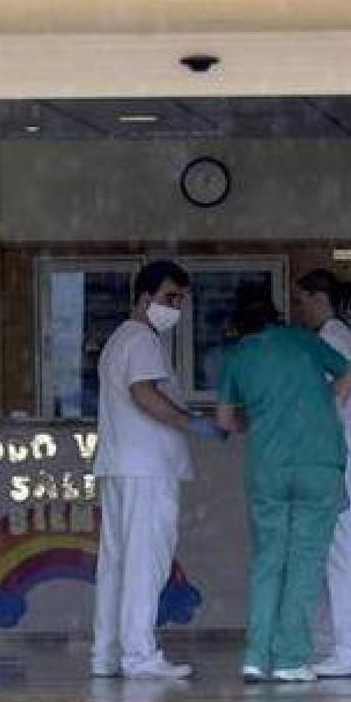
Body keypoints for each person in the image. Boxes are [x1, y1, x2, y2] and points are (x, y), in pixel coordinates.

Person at [90, 260, 226, 680]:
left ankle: (107, 654)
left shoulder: (121, 339)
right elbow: (144, 394)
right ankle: (139, 656)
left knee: (117, 563)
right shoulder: (142, 339)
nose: (176, 307)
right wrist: (192, 424)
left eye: (181, 299)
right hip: (145, 468)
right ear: (144, 297)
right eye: (170, 298)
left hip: (122, 464)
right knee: (145, 562)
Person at [215, 282, 351, 683]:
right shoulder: (301, 341)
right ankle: (292, 658)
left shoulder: (237, 356)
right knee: (306, 560)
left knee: (267, 561)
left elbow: (225, 421)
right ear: (274, 311)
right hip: (319, 461)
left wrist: (259, 419)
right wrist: (328, 407)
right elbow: (348, 373)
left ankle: (256, 657)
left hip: (268, 466)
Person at [295, 269, 351, 678]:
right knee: (334, 550)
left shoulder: (330, 339)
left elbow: (329, 398)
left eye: (302, 300)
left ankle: (349, 649)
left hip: (342, 458)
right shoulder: (339, 337)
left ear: (316, 298)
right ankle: (333, 645)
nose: (300, 309)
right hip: (345, 456)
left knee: (343, 551)